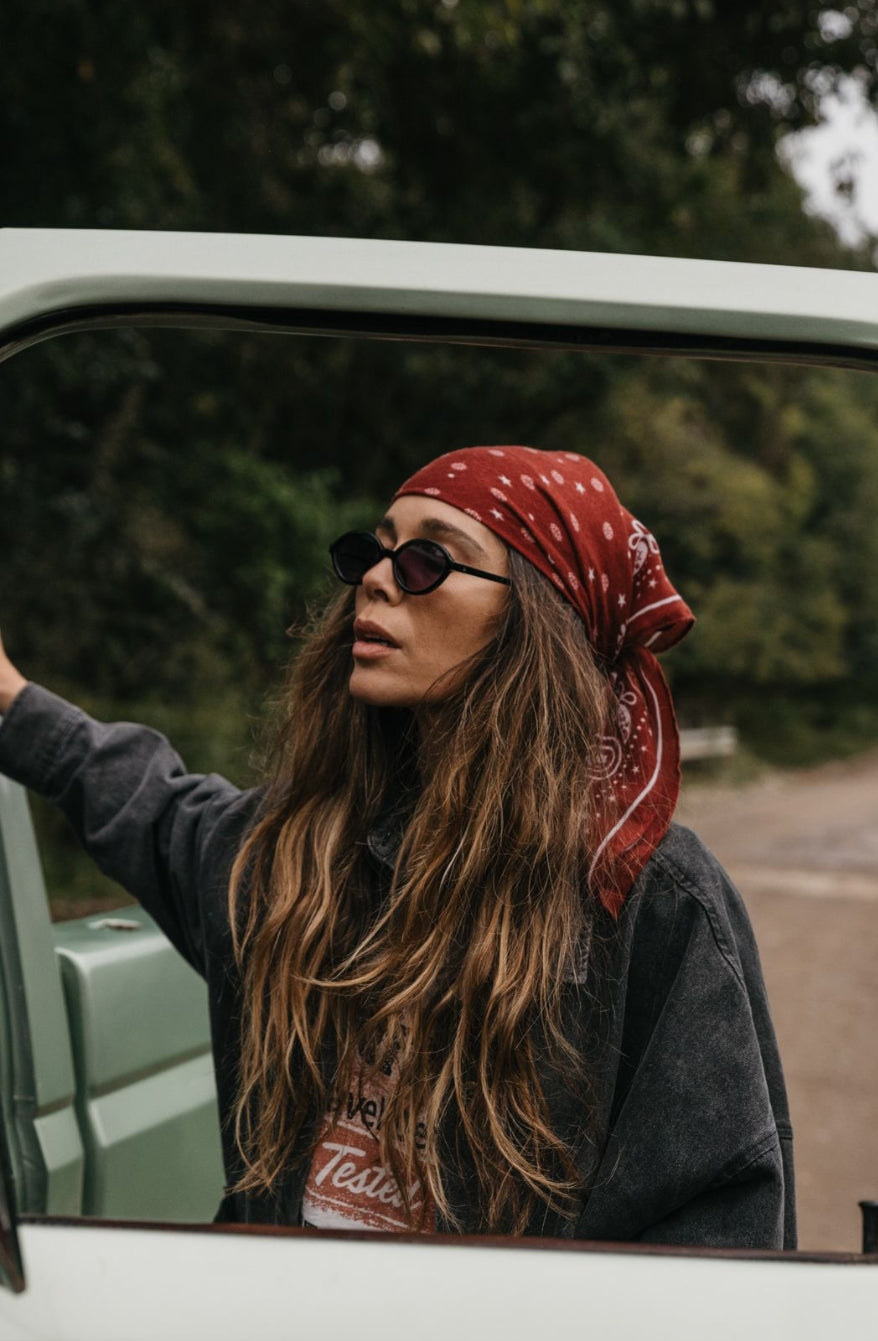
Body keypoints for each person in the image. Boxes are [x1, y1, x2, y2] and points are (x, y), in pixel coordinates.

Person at [0, 445, 794, 1247]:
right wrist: (14, 702)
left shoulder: (648, 897)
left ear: (537, 617)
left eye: (428, 561)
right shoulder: (301, 848)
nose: (377, 579)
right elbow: (156, 811)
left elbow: (721, 1234)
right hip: (274, 1325)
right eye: (372, 552)